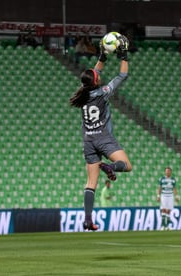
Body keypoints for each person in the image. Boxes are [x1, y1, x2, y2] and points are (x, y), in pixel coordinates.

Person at [69, 34, 132, 231]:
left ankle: (87, 219)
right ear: (96, 81)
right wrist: (123, 56)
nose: (100, 75)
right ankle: (109, 166)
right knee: (126, 166)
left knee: (91, 183)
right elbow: (122, 75)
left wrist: (102, 57)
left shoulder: (83, 92)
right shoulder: (103, 91)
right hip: (103, 137)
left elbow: (93, 73)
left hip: (88, 140)